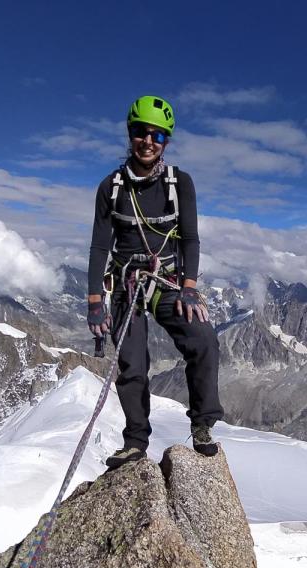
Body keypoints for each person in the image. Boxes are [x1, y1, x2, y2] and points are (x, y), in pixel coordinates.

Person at [87, 95, 223, 469]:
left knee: (203, 339)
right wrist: (95, 301)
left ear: (166, 141)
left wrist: (190, 287)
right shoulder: (111, 188)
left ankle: (202, 426)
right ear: (130, 135)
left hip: (166, 282)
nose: (148, 141)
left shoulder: (180, 184)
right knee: (131, 364)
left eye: (157, 135)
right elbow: (100, 247)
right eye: (140, 133)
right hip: (125, 284)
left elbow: (190, 238)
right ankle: (135, 442)